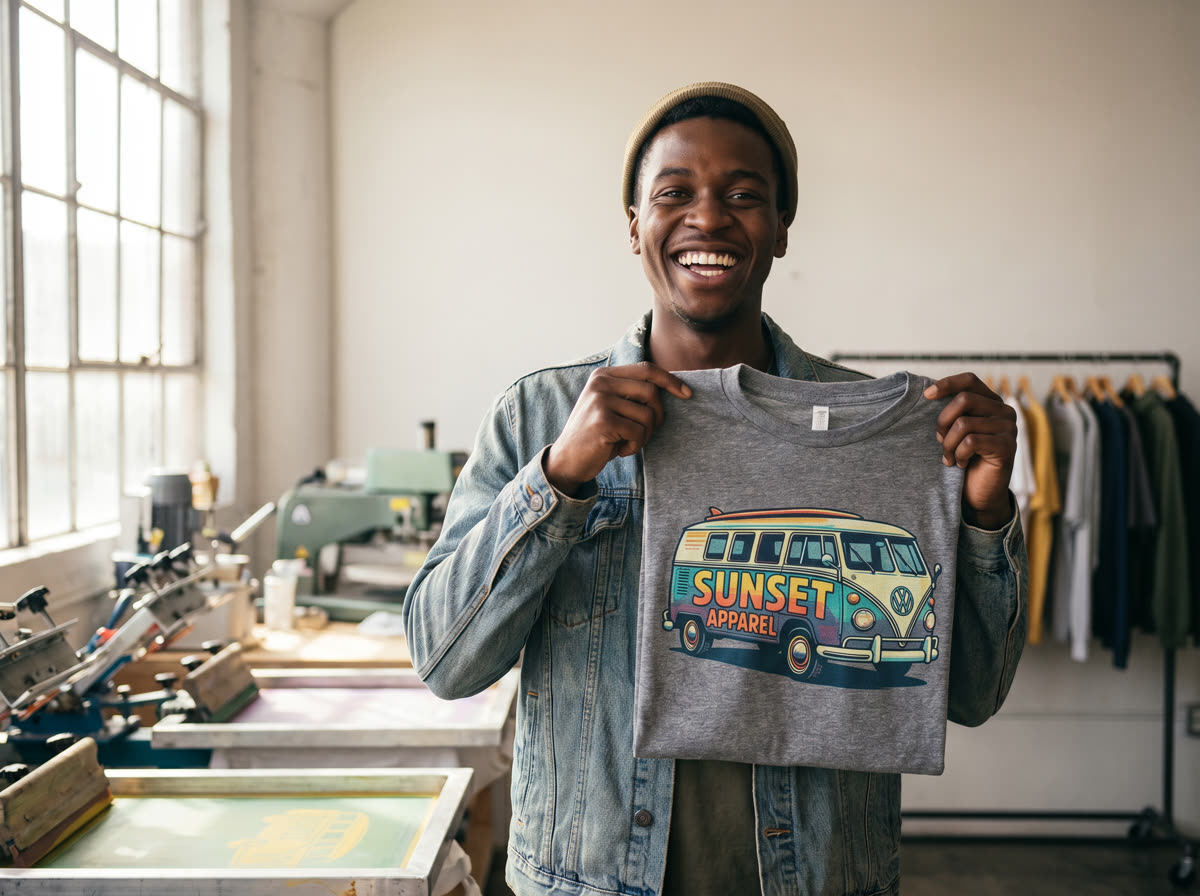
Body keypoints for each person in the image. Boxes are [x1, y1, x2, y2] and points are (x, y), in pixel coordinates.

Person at [404, 81, 1028, 896]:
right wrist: (558, 478)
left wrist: (985, 515)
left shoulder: (878, 429)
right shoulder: (540, 416)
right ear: (634, 224)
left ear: (781, 228)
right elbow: (445, 662)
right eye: (675, 193)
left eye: (743, 195)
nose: (708, 217)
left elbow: (970, 695)